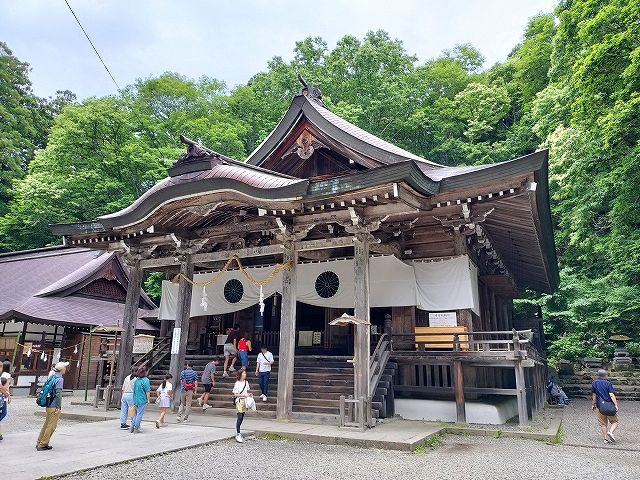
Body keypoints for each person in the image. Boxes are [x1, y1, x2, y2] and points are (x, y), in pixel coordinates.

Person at [36, 361, 67, 451]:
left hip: (48, 404)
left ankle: (39, 442)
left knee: (46, 424)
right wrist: (58, 406)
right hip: (53, 405)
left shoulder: (53, 376)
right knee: (51, 426)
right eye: (64, 367)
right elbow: (58, 394)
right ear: (62, 369)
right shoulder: (60, 379)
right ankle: (43, 444)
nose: (65, 369)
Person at [592, 369, 620, 444]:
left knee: (603, 423)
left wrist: (593, 404)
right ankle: (610, 432)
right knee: (615, 421)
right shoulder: (608, 383)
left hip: (600, 406)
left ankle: (605, 439)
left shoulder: (594, 383)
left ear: (598, 375)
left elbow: (594, 395)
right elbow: (611, 395)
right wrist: (616, 405)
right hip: (609, 406)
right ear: (605, 375)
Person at [233, 369, 252, 443]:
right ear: (240, 375)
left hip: (245, 401)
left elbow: (247, 391)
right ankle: (238, 432)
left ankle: (239, 430)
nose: (245, 374)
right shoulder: (237, 383)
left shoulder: (246, 382)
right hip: (239, 400)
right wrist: (243, 395)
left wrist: (249, 394)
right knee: (239, 416)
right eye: (244, 373)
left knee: (242, 416)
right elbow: (235, 394)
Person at [131, 367, 151, 433]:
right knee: (139, 414)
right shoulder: (146, 380)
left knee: (135, 414)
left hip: (136, 398)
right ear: (145, 372)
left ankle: (132, 427)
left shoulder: (137, 380)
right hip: (142, 399)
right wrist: (148, 399)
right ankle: (136, 428)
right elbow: (147, 391)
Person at [0, 360, 11, 442]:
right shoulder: (7, 375)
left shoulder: (2, 375)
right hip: (2, 397)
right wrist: (7, 394)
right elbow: (3, 387)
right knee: (3, 413)